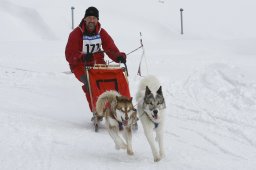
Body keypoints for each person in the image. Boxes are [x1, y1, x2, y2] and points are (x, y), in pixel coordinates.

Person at [65, 6, 127, 114]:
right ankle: (97, 111)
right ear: (85, 19)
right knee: (91, 83)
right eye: (89, 18)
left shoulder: (101, 32)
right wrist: (82, 57)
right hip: (80, 66)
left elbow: (110, 48)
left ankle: (121, 108)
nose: (91, 21)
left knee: (115, 79)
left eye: (94, 18)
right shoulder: (76, 34)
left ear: (97, 20)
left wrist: (119, 57)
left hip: (99, 64)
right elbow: (69, 55)